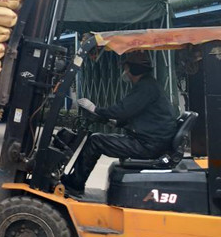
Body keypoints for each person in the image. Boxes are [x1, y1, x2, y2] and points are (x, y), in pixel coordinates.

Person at [61, 51, 178, 197]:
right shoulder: (148, 85)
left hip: (148, 144)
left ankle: (74, 185)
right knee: (96, 139)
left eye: (127, 68)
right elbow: (135, 113)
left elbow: (122, 110)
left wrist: (94, 109)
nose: (125, 72)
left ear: (134, 69)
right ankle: (74, 181)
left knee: (95, 141)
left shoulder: (145, 87)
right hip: (151, 141)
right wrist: (115, 122)